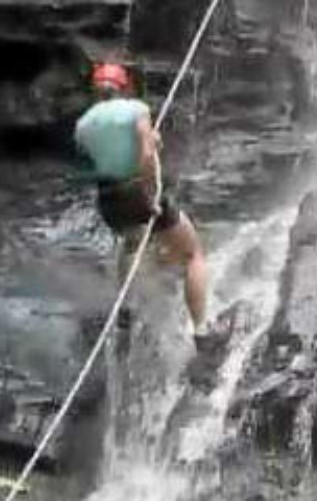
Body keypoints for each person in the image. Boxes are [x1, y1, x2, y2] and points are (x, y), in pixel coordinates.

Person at [74, 62, 209, 336]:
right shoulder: (136, 109)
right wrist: (151, 195)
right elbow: (147, 155)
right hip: (136, 191)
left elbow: (106, 153)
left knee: (132, 242)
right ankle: (202, 330)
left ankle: (126, 307)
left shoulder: (83, 125)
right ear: (124, 88)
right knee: (193, 253)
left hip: (108, 201)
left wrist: (147, 140)